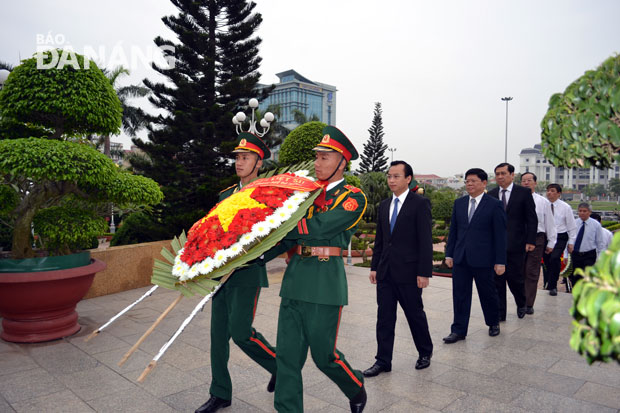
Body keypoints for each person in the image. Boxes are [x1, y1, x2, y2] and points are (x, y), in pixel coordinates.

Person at [265, 126, 368, 412]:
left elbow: (319, 228)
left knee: (324, 357)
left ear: (342, 162)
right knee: (287, 356)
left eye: (325, 157)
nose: (318, 163)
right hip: (296, 278)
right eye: (317, 157)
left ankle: (355, 386)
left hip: (324, 283)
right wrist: (250, 254)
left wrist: (279, 223)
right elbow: (286, 238)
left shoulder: (353, 197)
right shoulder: (304, 195)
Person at [195, 133, 277, 413]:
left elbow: (273, 235)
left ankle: (279, 366)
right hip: (221, 276)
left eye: (245, 158)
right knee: (218, 336)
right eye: (237, 157)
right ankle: (220, 392)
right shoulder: (225, 195)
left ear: (258, 162)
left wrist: (255, 252)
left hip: (247, 272)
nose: (239, 162)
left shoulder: (266, 194)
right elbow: (213, 232)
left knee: (240, 332)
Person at [363, 160, 433, 377]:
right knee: (384, 318)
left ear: (408, 179)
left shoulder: (419, 204)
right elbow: (381, 240)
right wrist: (374, 267)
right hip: (385, 273)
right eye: (389, 176)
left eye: (396, 176)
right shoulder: (384, 205)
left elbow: (425, 240)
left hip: (410, 273)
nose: (391, 180)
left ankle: (424, 352)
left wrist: (424, 272)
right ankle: (383, 360)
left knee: (414, 315)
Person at [443, 168, 506, 343]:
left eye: (473, 181)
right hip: (461, 258)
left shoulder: (495, 205)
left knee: (488, 293)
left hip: (484, 259)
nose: (469, 184)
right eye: (467, 181)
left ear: (484, 183)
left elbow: (500, 236)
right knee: (460, 295)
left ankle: (493, 322)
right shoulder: (460, 203)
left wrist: (500, 261)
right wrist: (449, 254)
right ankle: (458, 330)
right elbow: (454, 232)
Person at [488, 163, 537, 320]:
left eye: (503, 173)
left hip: (516, 244)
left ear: (512, 175)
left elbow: (531, 219)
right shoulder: (491, 194)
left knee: (515, 278)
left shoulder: (523, 193)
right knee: (497, 281)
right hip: (495, 246)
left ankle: (521, 303)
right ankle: (500, 313)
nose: (500, 177)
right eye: (497, 174)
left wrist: (530, 240)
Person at [520, 172, 557, 314]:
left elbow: (550, 223)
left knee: (532, 271)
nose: (526, 183)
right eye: (523, 180)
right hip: (519, 239)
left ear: (535, 183)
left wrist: (551, 242)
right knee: (519, 271)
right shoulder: (516, 199)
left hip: (537, 239)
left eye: (529, 180)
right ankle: (520, 300)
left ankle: (528, 303)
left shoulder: (543, 202)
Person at [543, 184, 577, 296]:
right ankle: (549, 281)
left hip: (560, 236)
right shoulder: (543, 205)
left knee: (555, 258)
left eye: (552, 191)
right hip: (546, 236)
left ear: (559, 194)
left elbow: (571, 226)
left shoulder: (565, 207)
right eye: (548, 191)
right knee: (547, 261)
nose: (549, 193)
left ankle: (553, 286)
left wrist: (571, 242)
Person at [570, 203, 606, 287]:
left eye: (584, 211)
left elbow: (600, 243)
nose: (582, 213)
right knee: (576, 277)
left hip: (589, 255)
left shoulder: (596, 225)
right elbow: (570, 239)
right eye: (580, 211)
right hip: (576, 255)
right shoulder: (574, 223)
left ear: (589, 212)